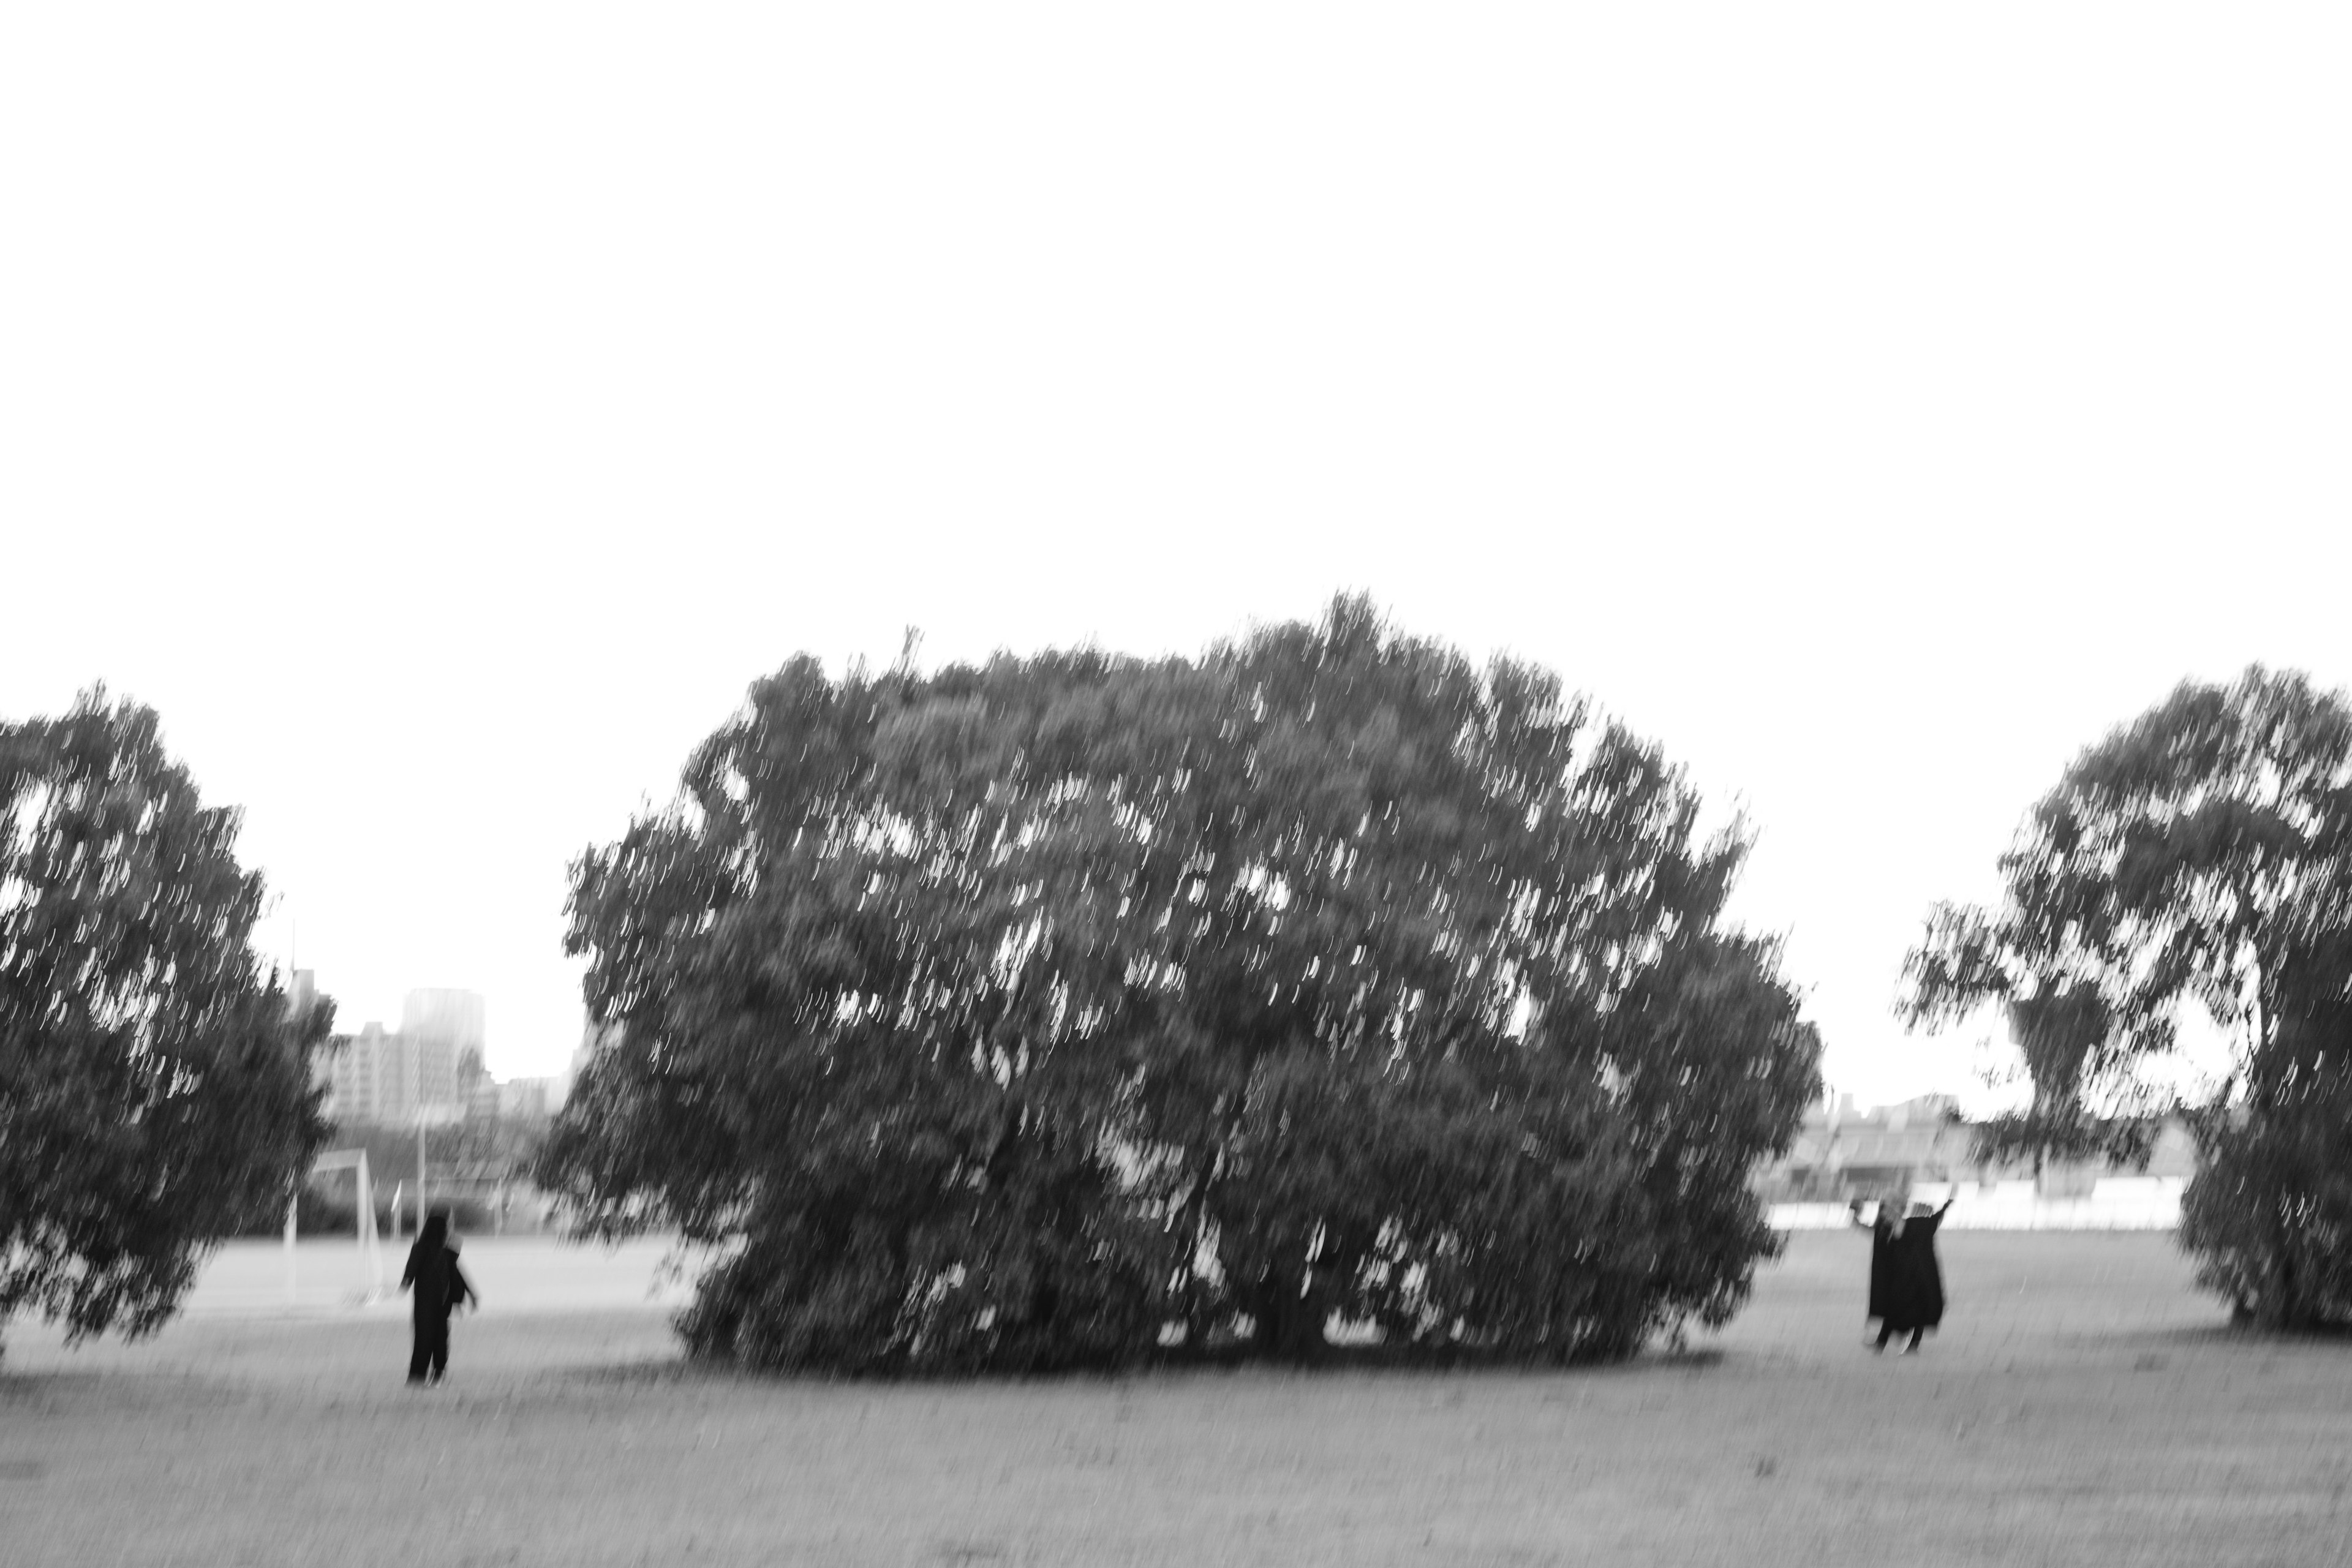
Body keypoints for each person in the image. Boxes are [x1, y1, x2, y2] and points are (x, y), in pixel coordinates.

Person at [1850, 1187, 1954, 1354]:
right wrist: (1855, 1219)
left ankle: (1911, 1345)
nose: (1886, 1215)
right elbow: (1871, 1231)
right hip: (1898, 1281)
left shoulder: (1915, 1226)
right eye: (1884, 1212)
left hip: (1917, 1280)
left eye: (1889, 1212)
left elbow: (1933, 1221)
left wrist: (1946, 1206)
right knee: (1893, 1309)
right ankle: (1882, 1343)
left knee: (1918, 1311)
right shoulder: (1885, 1231)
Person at [399, 1207, 475, 1385]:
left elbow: (411, 1269)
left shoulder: (421, 1245)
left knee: (423, 1336)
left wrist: (405, 1283)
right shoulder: (450, 1247)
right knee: (441, 1337)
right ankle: (439, 1373)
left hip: (424, 1300)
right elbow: (457, 1273)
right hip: (443, 1300)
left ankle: (417, 1375)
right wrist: (469, 1295)